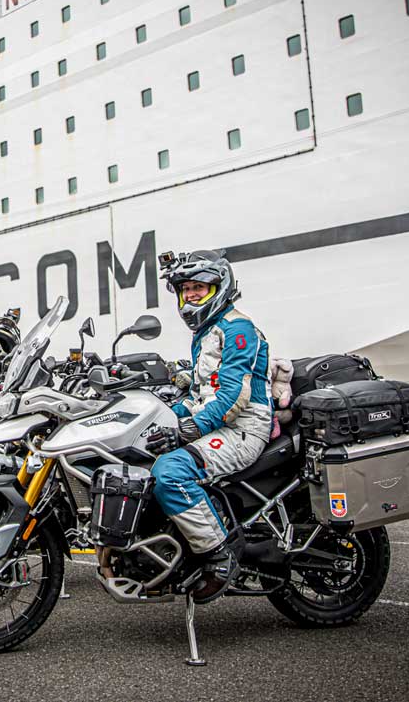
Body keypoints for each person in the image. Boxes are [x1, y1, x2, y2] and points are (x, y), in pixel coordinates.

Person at [146, 250, 274, 603]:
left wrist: (186, 430)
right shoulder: (208, 331)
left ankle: (219, 557)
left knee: (170, 472)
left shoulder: (238, 328)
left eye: (198, 288)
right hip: (220, 424)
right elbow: (202, 393)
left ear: (219, 287)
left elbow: (232, 398)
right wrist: (162, 415)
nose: (190, 295)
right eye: (185, 289)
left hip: (243, 428)